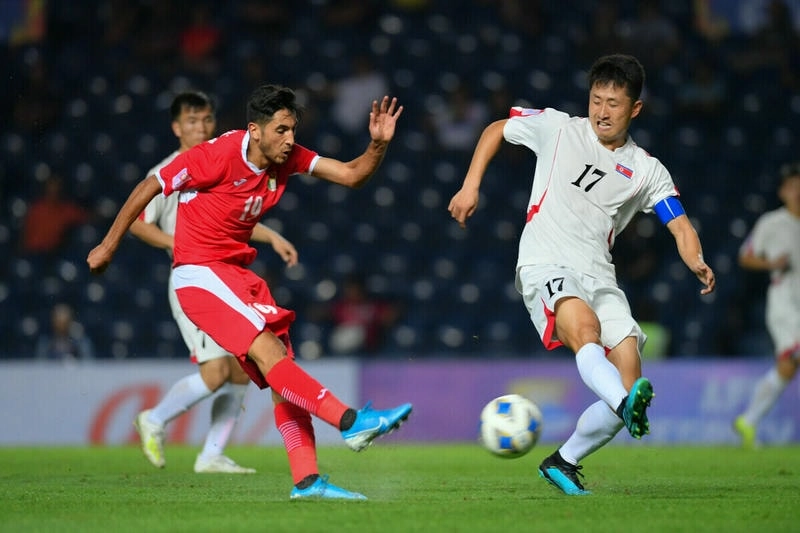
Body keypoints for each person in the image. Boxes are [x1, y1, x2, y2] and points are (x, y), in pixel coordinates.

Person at [87, 84, 411, 500]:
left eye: (292, 128)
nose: (290, 139)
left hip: (236, 274)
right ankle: (350, 422)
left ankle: (307, 481)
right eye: (281, 130)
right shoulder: (215, 156)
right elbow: (150, 185)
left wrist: (377, 145)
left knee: (283, 373)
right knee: (270, 357)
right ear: (254, 130)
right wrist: (108, 245)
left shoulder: (287, 156)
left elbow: (351, 175)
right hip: (199, 274)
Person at [448, 54, 715, 495]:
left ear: (635, 109)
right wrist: (470, 184)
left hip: (600, 274)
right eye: (596, 100)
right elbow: (496, 128)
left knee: (629, 373)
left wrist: (697, 260)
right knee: (585, 331)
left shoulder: (647, 170)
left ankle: (564, 461)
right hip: (546, 261)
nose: (602, 111)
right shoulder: (559, 127)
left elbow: (680, 224)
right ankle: (623, 405)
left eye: (613, 103)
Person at [128, 90, 299, 474]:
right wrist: (180, 244)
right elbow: (139, 223)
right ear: (176, 128)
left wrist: (271, 236)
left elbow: (228, 222)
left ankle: (212, 454)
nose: (201, 127)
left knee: (241, 368)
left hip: (219, 276)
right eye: (192, 121)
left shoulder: (219, 162)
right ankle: (154, 419)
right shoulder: (172, 168)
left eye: (206, 120)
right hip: (194, 278)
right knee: (216, 372)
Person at [733, 162, 800, 449]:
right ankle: (748, 420)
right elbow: (745, 256)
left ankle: (748, 421)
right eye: (792, 186)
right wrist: (771, 263)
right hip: (784, 302)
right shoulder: (771, 223)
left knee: (787, 366)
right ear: (783, 191)